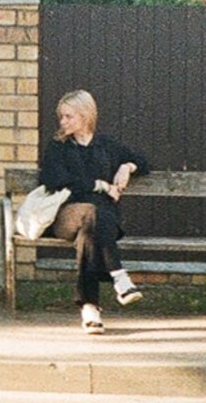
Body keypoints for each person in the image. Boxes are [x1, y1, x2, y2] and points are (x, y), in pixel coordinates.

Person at [39, 89, 150, 335]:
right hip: (66, 216)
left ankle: (90, 308)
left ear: (85, 116)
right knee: (91, 213)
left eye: (69, 116)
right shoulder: (58, 147)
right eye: (62, 117)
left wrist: (127, 166)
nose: (63, 122)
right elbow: (54, 180)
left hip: (101, 220)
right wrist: (100, 185)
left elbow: (144, 161)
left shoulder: (106, 145)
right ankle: (120, 277)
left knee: (90, 232)